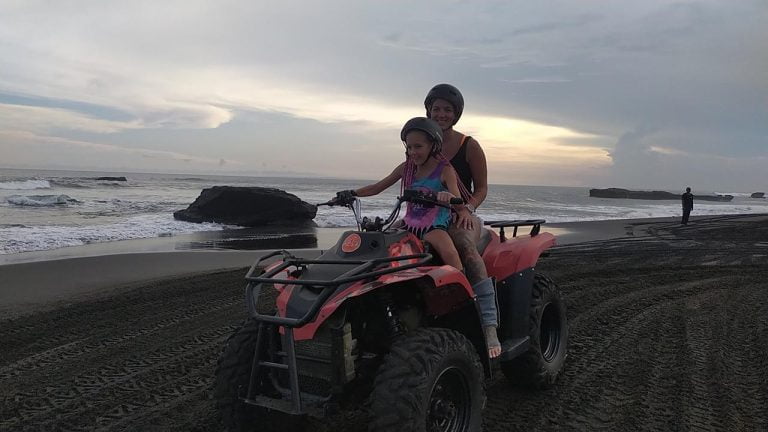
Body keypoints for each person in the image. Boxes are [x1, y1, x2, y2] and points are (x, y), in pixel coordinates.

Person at [423, 84, 501, 358]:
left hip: (460, 214)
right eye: (436, 109)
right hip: (430, 214)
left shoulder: (469, 145)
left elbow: (481, 188)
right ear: (428, 112)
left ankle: (487, 323)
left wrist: (466, 208)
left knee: (466, 249)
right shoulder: (422, 145)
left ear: (456, 114)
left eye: (447, 110)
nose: (441, 114)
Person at [336, 117, 465, 271]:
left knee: (449, 252)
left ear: (433, 146)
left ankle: (466, 290)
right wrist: (350, 193)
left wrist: (449, 197)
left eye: (418, 146)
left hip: (432, 226)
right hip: (408, 223)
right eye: (409, 147)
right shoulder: (406, 168)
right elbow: (376, 187)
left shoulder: (445, 170)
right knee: (380, 241)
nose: (413, 152)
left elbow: (459, 202)